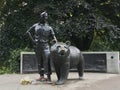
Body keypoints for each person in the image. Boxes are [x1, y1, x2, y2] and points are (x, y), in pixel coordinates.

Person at [26, 11, 57, 82]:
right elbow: (28, 32)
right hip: (37, 46)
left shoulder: (49, 28)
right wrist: (33, 40)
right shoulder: (35, 25)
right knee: (39, 62)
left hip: (45, 46)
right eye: (43, 17)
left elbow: (54, 37)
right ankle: (41, 76)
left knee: (47, 61)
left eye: (46, 17)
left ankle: (48, 77)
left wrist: (54, 41)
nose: (45, 18)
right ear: (41, 17)